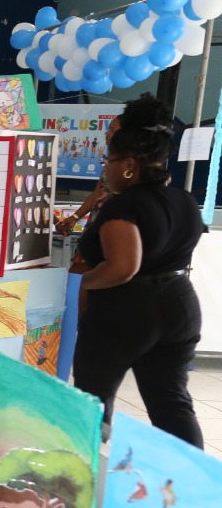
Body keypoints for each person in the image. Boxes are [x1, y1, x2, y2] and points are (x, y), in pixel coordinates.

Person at [72, 121, 206, 448]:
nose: (106, 169)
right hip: (180, 304)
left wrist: (77, 283)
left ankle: (82, 472)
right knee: (171, 402)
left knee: (92, 402)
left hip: (127, 310)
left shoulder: (124, 205)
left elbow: (122, 268)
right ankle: (190, 476)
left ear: (129, 165)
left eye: (108, 161)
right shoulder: (184, 200)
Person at [58, 95, 174, 236]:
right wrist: (75, 217)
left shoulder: (125, 209)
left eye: (112, 130)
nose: (107, 133)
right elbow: (97, 194)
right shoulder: (113, 173)